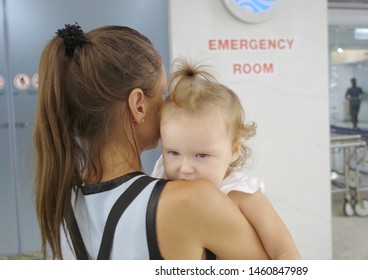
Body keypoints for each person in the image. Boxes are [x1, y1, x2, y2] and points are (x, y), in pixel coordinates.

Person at [33, 23, 269, 260]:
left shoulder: (62, 207)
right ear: (138, 105)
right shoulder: (193, 200)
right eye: (163, 94)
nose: (169, 105)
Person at [151, 57, 301, 260]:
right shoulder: (161, 174)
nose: (184, 168)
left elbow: (285, 251)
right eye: (173, 153)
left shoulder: (239, 192)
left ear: (234, 150)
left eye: (201, 155)